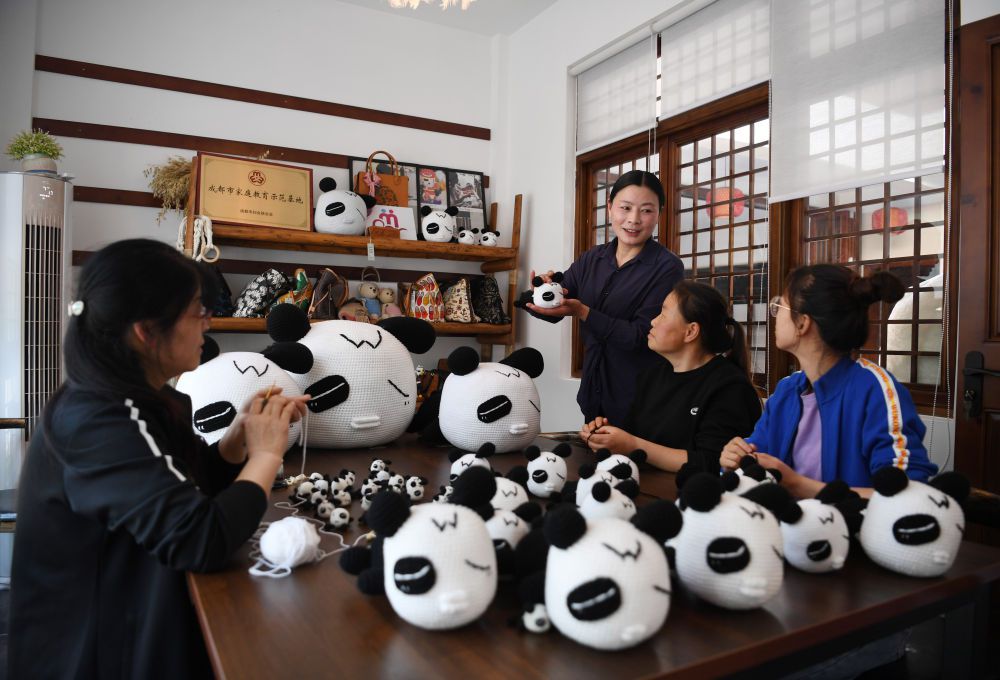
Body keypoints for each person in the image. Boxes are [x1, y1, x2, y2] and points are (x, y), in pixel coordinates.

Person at [9, 239, 310, 678]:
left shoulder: (143, 400)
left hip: (136, 621)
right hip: (94, 654)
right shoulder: (97, 421)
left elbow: (185, 484)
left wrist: (238, 437)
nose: (207, 324)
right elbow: (200, 538)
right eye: (197, 311)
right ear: (147, 331)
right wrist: (267, 454)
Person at [720, 264, 938, 498]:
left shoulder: (874, 391)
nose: (774, 315)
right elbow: (757, 455)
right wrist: (736, 457)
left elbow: (907, 495)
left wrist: (797, 485)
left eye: (779, 306)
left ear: (802, 323)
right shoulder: (787, 391)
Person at [523, 170, 683, 424]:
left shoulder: (667, 267)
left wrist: (583, 312)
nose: (634, 219)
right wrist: (542, 290)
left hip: (641, 400)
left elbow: (641, 336)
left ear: (659, 214)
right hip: (594, 394)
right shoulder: (592, 259)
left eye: (646, 210)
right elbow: (557, 306)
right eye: (625, 208)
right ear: (610, 207)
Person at [579, 281, 762, 472]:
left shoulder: (730, 388)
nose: (653, 321)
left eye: (663, 314)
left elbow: (712, 462)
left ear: (690, 331)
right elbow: (632, 436)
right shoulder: (652, 375)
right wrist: (606, 436)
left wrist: (632, 445)